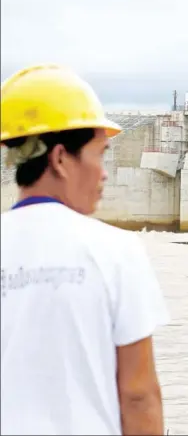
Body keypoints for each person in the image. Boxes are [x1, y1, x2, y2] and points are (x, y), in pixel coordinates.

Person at [0, 64, 170, 435]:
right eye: (100, 154)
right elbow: (138, 395)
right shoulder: (116, 251)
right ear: (60, 158)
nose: (104, 172)